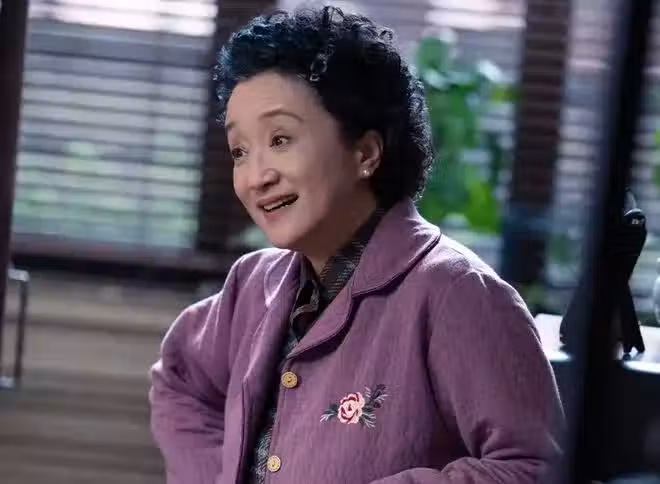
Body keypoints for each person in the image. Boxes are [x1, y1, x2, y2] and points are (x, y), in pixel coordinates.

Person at [149, 5, 564, 484]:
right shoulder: (252, 283)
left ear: (365, 152)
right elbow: (180, 380)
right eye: (240, 150)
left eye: (280, 139)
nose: (256, 176)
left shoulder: (458, 294)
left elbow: (533, 468)